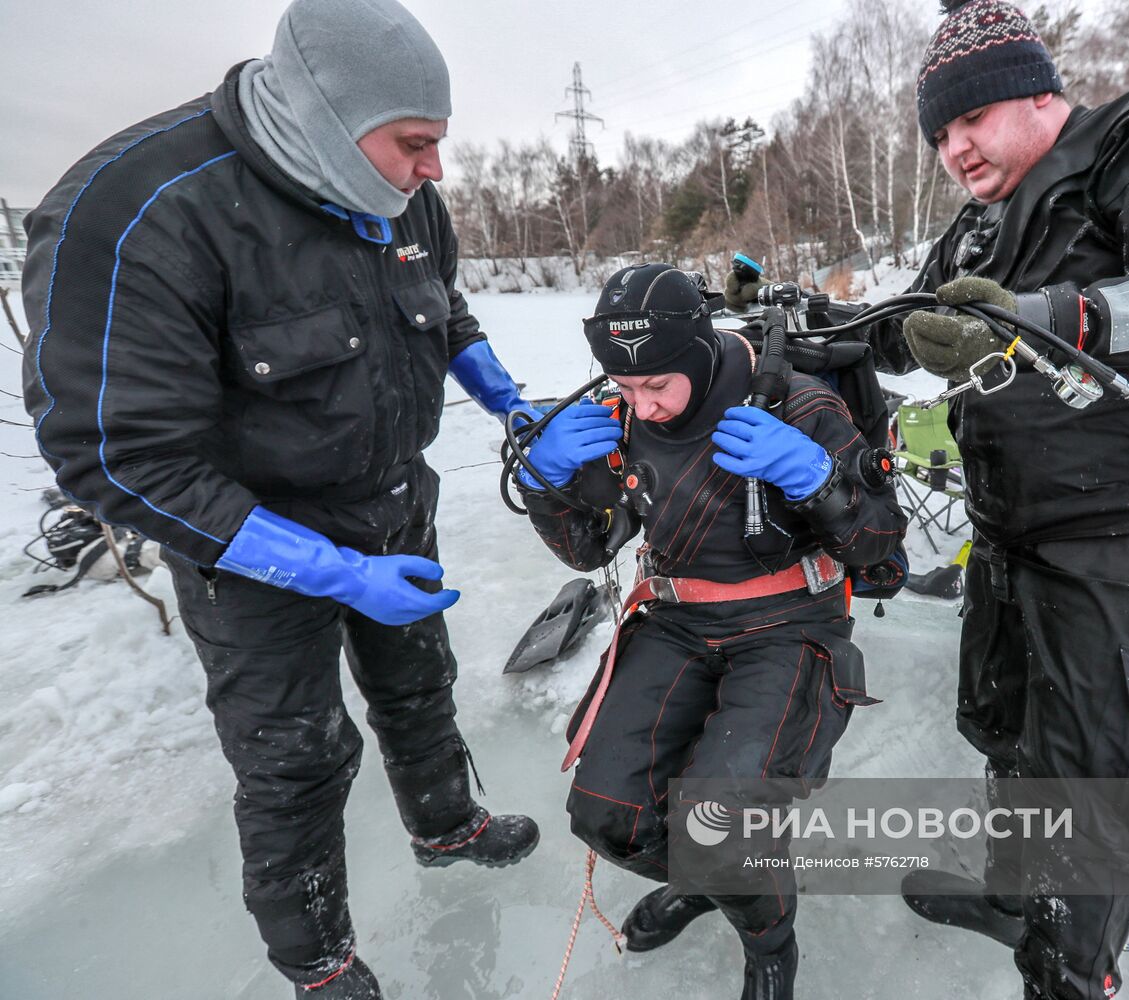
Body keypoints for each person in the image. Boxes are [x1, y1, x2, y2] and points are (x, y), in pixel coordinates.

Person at [20, 1, 541, 996]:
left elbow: (449, 315)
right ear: (326, 119)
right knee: (298, 754)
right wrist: (337, 571)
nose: (436, 170)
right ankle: (318, 958)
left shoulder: (401, 196)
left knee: (418, 682)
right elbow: (119, 456)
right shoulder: (138, 207)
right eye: (416, 143)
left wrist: (519, 411)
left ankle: (445, 824)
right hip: (247, 541)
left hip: (393, 495)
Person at [882, 2, 1129, 999]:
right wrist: (780, 337)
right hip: (1025, 529)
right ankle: (1019, 897)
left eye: (967, 120)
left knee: (1095, 784)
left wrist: (1046, 316)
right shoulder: (980, 225)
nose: (953, 149)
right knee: (1012, 730)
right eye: (938, 134)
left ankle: (1071, 970)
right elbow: (902, 327)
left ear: (1030, 94)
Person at [516, 263, 907, 999]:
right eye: (627, 390)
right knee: (610, 819)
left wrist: (819, 479)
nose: (644, 407)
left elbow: (881, 541)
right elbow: (588, 548)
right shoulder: (624, 415)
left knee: (723, 824)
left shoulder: (796, 401)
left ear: (696, 353)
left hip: (790, 619)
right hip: (677, 617)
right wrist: (547, 486)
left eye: (657, 387)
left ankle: (769, 940)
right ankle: (715, 881)